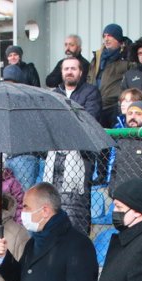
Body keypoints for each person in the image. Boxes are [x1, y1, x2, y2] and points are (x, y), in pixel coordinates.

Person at [47, 56, 101, 234]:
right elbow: (49, 123)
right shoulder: (54, 94)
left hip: (81, 155)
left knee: (76, 202)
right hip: (55, 155)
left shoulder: (91, 92)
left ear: (81, 72)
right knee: (52, 198)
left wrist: (63, 122)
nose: (69, 72)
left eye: (73, 68)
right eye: (66, 69)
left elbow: (89, 119)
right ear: (61, 72)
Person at [89, 23, 134, 127]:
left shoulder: (127, 58)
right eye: (104, 36)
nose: (106, 39)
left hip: (114, 108)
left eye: (110, 36)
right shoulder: (97, 57)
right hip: (96, 106)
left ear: (118, 39)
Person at [108, 101, 142, 194]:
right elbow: (114, 170)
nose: (132, 117)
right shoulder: (121, 140)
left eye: (138, 114)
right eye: (130, 113)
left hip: (141, 196)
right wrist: (112, 191)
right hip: (120, 195)